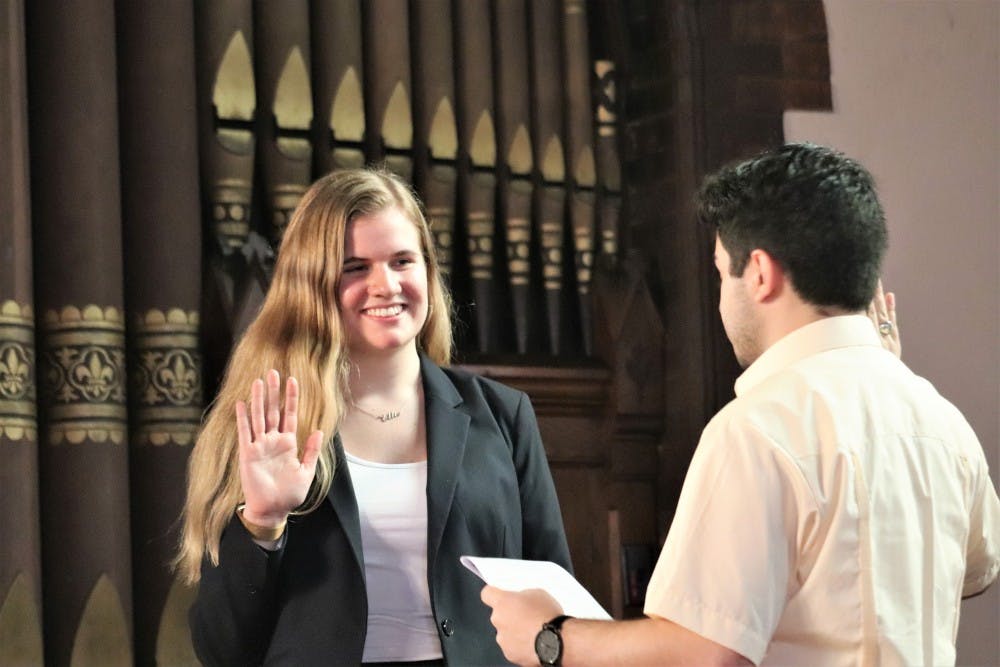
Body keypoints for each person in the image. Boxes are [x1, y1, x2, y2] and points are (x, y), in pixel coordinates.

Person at [481, 143, 1000, 666]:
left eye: (720, 273)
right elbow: (975, 569)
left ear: (758, 272)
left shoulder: (758, 429)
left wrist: (550, 637)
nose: (723, 298)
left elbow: (706, 654)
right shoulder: (940, 419)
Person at [176, 167, 571, 666]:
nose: (386, 285)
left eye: (402, 261)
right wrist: (262, 522)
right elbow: (223, 649)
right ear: (313, 285)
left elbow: (559, 605)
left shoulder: (504, 415)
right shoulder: (267, 425)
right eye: (355, 267)